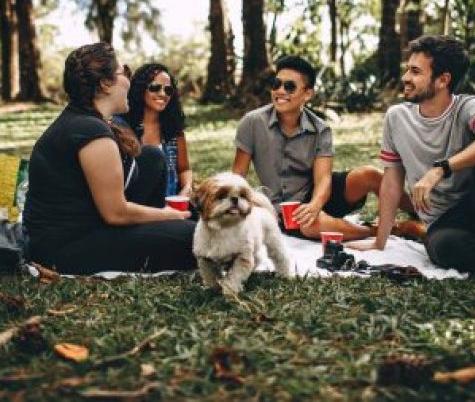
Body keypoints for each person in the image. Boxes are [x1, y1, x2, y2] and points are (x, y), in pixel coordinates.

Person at [23, 43, 196, 275]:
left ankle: (161, 229)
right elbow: (115, 213)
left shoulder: (86, 119)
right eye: (125, 72)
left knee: (152, 157)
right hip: (67, 247)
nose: (130, 80)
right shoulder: (90, 132)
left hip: (91, 224)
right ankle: (166, 230)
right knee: (198, 238)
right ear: (105, 84)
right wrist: (169, 215)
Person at [348, 35, 475, 272]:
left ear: (443, 80)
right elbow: (391, 182)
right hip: (445, 222)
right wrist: (380, 241)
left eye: (415, 72)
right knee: (443, 247)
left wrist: (441, 168)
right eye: (408, 69)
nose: (405, 78)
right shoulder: (397, 117)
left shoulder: (469, 107)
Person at [232, 55, 415, 241]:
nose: (280, 91)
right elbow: (237, 175)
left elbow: (323, 180)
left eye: (289, 86)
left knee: (369, 174)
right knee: (309, 225)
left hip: (319, 195)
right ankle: (382, 231)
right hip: (283, 209)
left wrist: (315, 204)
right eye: (276, 84)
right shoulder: (252, 122)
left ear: (308, 94)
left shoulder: (320, 129)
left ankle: (423, 215)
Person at [116, 63, 193, 198]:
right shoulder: (120, 126)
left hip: (168, 205)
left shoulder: (174, 130)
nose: (163, 94)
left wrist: (186, 188)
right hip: (133, 206)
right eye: (155, 88)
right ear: (140, 89)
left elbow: (184, 169)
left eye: (168, 90)